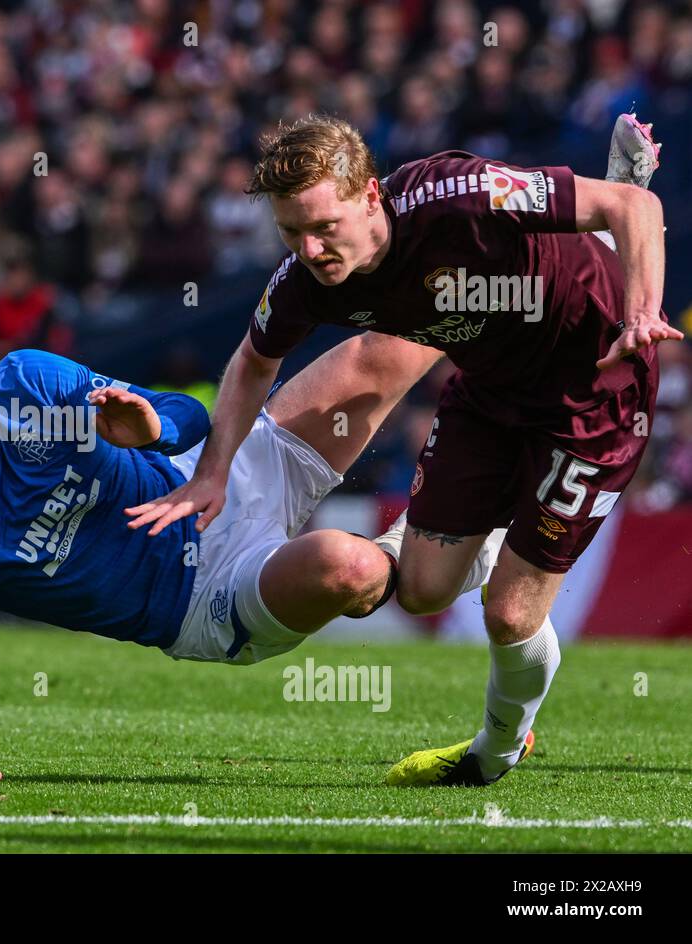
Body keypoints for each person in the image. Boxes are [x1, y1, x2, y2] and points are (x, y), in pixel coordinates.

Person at [125, 113, 677, 786]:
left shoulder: (462, 195)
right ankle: (516, 538)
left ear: (370, 196)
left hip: (594, 387)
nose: (311, 248)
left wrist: (643, 312)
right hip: (491, 390)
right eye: (291, 232)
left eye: (324, 227)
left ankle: (496, 753)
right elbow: (251, 360)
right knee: (420, 590)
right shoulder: (308, 278)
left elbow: (635, 205)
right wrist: (213, 474)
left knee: (508, 613)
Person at [0, 285, 503, 786]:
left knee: (392, 342)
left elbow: (192, 419)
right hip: (206, 596)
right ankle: (436, 555)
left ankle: (572, 288)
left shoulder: (26, 384)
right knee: (345, 568)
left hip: (214, 474)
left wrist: (154, 427)